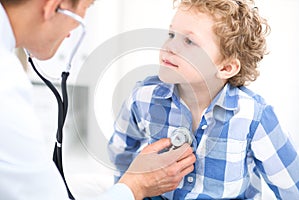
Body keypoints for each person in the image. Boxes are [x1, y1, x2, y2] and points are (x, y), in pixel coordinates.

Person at [0, 0, 196, 199]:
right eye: (85, 9)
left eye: (190, 41)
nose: (71, 33)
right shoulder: (6, 86)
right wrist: (137, 185)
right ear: (54, 7)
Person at [108, 0, 299, 199]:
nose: (169, 46)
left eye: (189, 41)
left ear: (225, 68)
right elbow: (122, 154)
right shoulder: (143, 98)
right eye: (171, 34)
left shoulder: (254, 117)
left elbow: (292, 187)